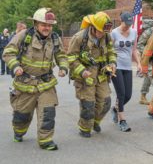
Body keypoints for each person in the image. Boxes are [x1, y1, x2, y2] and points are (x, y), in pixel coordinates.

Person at [2, 8, 68, 150]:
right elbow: (8, 53)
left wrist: (63, 67)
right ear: (36, 24)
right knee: (22, 116)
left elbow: (61, 55)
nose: (47, 28)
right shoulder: (24, 35)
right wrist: (15, 67)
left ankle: (45, 140)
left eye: (50, 25)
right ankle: (19, 132)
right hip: (25, 83)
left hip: (46, 83)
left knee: (48, 113)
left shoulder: (55, 38)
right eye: (44, 24)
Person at [67, 12, 116, 138]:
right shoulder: (79, 38)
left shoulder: (106, 36)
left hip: (101, 74)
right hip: (85, 76)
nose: (102, 34)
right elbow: (71, 57)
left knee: (106, 102)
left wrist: (112, 63)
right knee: (88, 105)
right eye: (100, 31)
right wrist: (82, 71)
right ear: (93, 27)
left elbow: (111, 51)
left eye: (104, 32)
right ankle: (85, 128)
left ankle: (95, 122)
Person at [110, 11, 142, 132]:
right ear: (121, 21)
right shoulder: (114, 33)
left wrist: (138, 63)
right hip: (116, 66)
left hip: (128, 67)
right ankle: (122, 121)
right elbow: (109, 50)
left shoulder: (134, 32)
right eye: (126, 23)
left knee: (128, 95)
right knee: (121, 93)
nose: (128, 26)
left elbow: (134, 50)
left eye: (130, 23)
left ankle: (115, 109)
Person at [137, 18, 153, 105]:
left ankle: (143, 96)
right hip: (147, 58)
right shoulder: (148, 33)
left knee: (148, 77)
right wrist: (149, 53)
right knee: (152, 75)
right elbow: (139, 45)